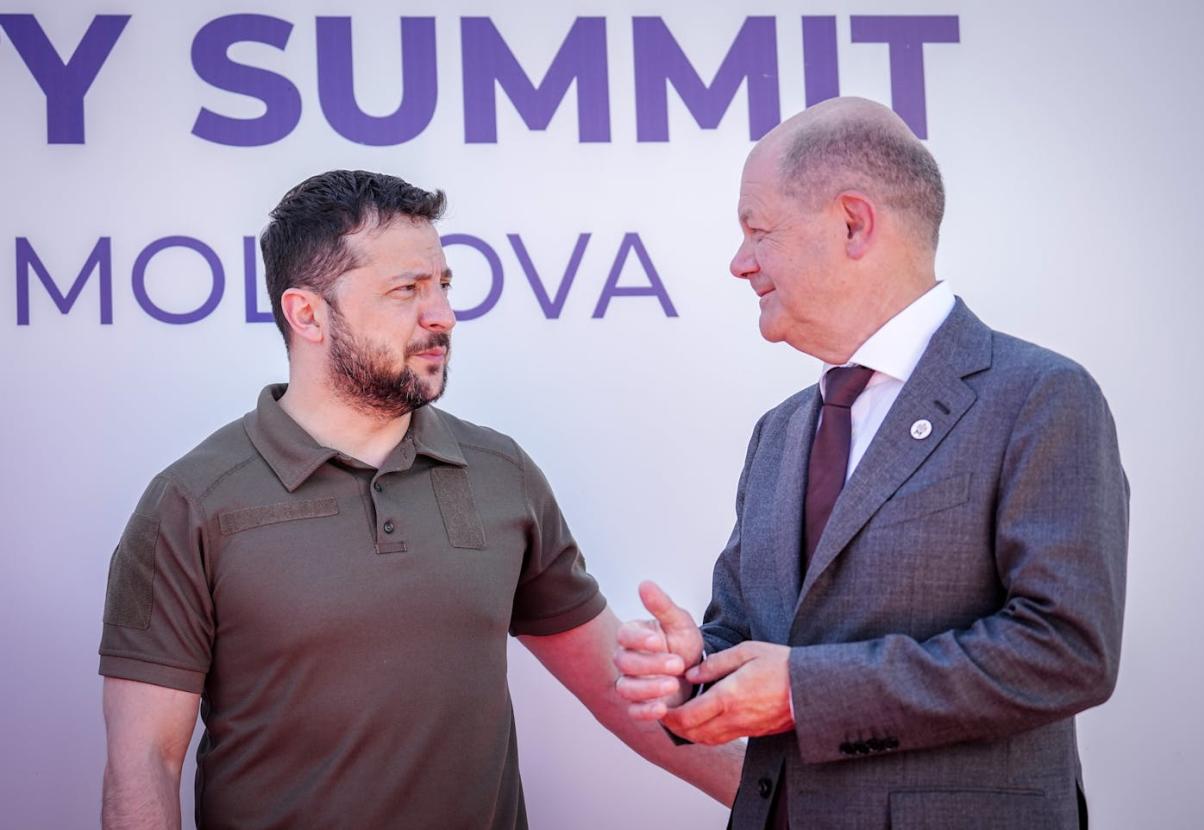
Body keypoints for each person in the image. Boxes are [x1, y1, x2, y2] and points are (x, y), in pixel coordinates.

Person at [99, 170, 742, 829]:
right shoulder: (189, 504)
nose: (442, 315)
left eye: (442, 286)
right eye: (406, 290)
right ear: (307, 313)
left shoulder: (500, 473)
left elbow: (616, 688)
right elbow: (145, 763)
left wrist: (789, 805)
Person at [613, 97, 1128, 829]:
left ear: (853, 223)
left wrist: (805, 693)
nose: (739, 263)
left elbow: (1066, 650)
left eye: (757, 231)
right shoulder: (780, 431)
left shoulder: (1041, 398)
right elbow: (746, 635)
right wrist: (691, 670)